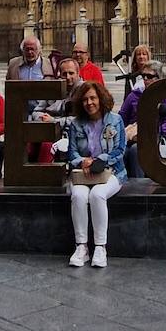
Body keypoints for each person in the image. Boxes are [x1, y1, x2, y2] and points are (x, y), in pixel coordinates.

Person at [66, 81, 127, 268]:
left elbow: (120, 150)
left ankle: (100, 247)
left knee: (97, 195)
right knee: (78, 195)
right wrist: (82, 161)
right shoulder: (76, 124)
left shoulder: (115, 120)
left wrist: (98, 161)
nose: (89, 103)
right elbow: (72, 153)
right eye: (84, 99)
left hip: (111, 173)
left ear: (100, 98)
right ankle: (82, 247)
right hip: (83, 175)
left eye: (93, 98)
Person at [119, 62, 166, 177]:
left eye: (149, 76)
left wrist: (151, 133)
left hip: (156, 138)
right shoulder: (134, 96)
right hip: (132, 137)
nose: (145, 79)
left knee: (136, 150)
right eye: (143, 76)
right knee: (121, 151)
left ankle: (139, 186)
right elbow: (122, 118)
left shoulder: (165, 96)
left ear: (159, 78)